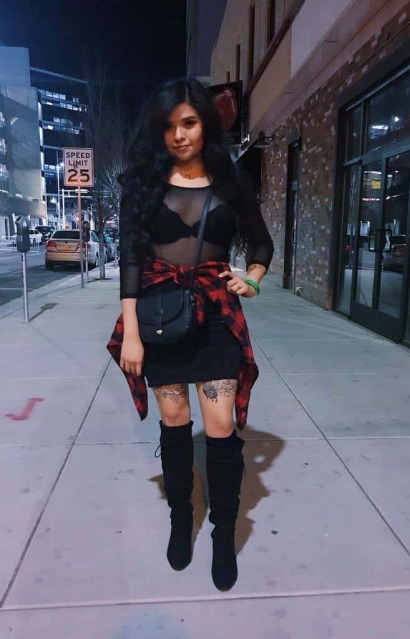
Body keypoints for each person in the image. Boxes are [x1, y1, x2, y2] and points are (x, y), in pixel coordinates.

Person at [107, 77, 274, 592]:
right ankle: (182, 518)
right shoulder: (143, 185)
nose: (179, 135)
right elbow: (130, 260)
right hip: (161, 319)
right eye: (169, 126)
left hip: (218, 317)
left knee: (220, 426)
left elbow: (262, 245)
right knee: (175, 421)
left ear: (206, 125)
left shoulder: (231, 183)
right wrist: (131, 333)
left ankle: (223, 532)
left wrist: (251, 280)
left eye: (189, 123)